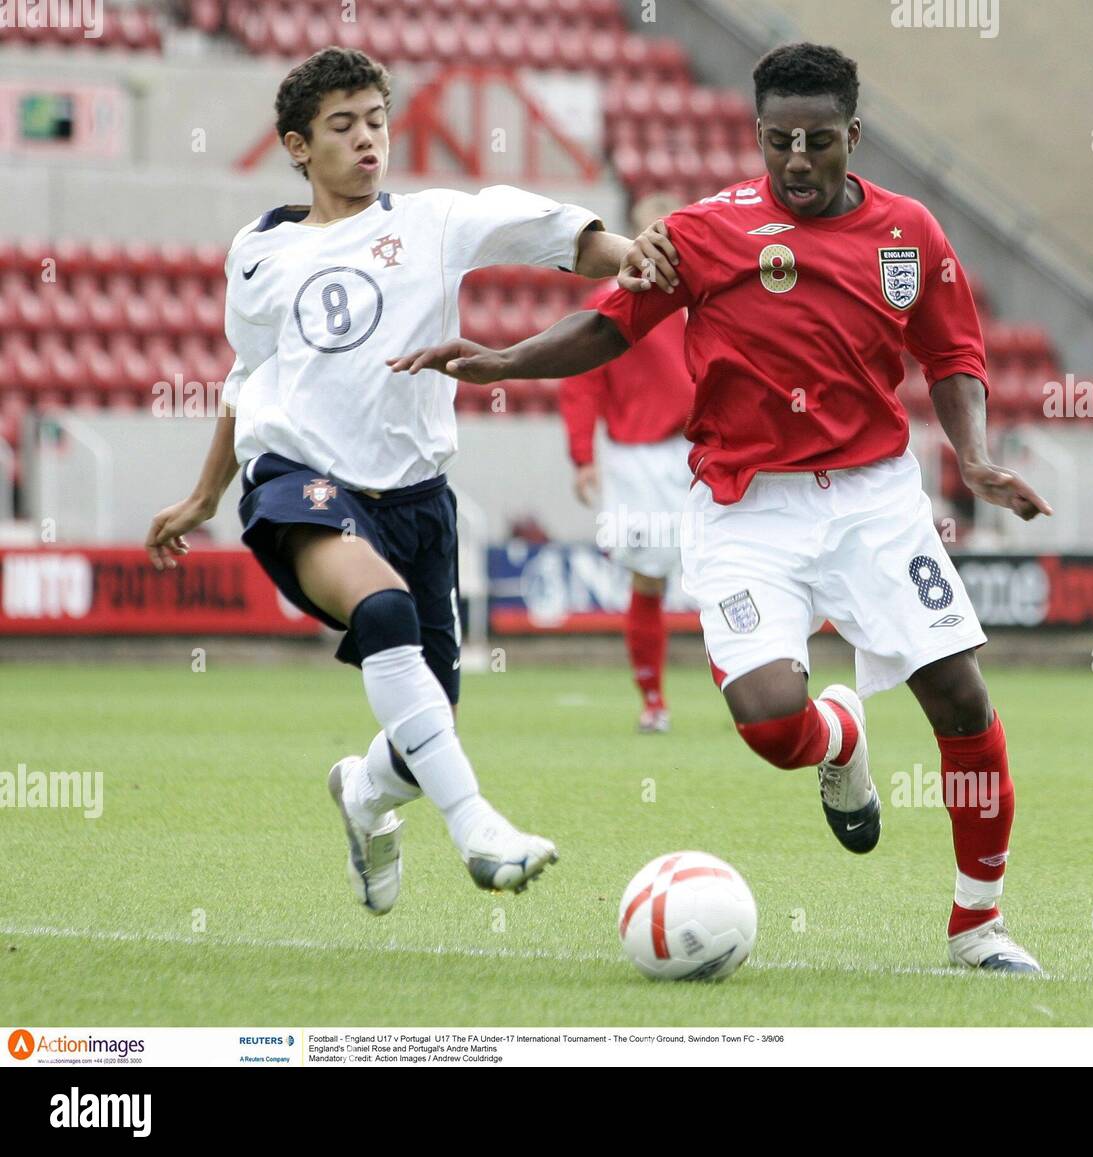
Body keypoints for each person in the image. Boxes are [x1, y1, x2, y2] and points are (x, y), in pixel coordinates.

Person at [390, 43, 1054, 972]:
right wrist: (503, 361)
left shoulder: (912, 235)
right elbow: (607, 327)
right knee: (774, 723)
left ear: (853, 137)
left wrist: (975, 456)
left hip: (874, 499)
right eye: (780, 140)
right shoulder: (702, 234)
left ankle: (977, 926)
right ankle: (841, 737)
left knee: (961, 695)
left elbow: (954, 359)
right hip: (746, 507)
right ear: (757, 135)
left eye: (819, 141)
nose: (798, 159)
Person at [144, 47, 675, 915]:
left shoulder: (434, 223)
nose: (367, 141)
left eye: (377, 121)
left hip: (419, 499)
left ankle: (362, 796)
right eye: (342, 126)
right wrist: (206, 494)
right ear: (297, 146)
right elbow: (250, 376)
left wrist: (631, 257)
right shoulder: (258, 253)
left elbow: (559, 239)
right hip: (301, 479)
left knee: (430, 726)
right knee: (383, 613)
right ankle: (479, 830)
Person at [558, 192, 695, 733]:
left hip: (704, 453)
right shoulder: (610, 300)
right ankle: (653, 701)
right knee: (648, 580)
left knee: (740, 573)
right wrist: (582, 456)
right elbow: (580, 381)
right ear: (635, 235)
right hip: (638, 460)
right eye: (654, 226)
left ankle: (761, 692)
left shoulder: (703, 298)